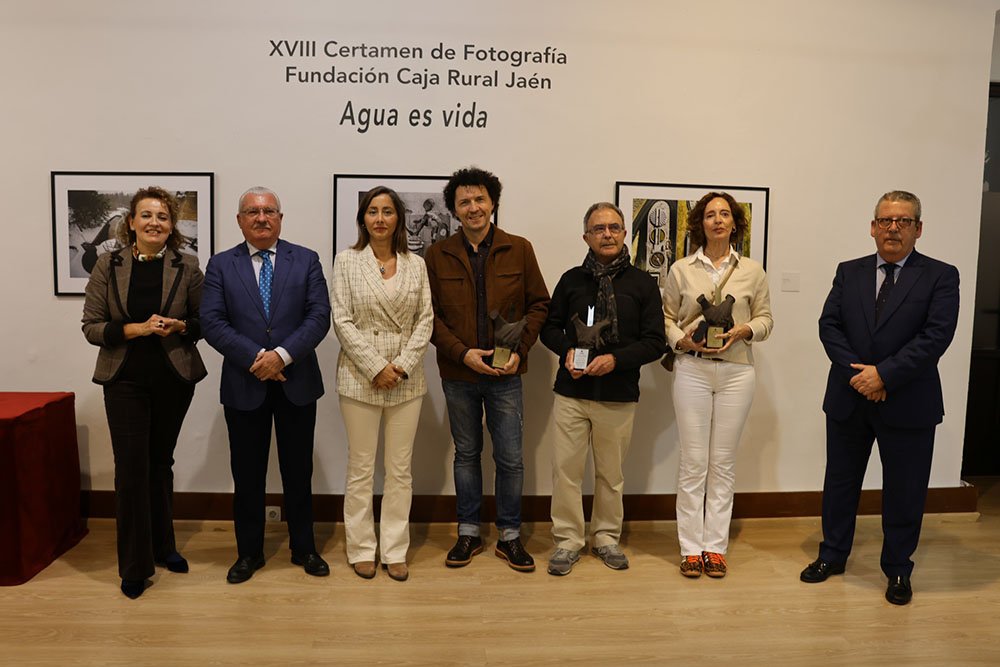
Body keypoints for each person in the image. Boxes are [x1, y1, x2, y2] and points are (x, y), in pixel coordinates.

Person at [800, 190, 959, 606]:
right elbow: (829, 325)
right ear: (872, 227)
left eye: (904, 221)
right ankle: (832, 556)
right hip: (850, 397)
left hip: (908, 402)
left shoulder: (942, 276)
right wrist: (862, 376)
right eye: (886, 220)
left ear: (918, 229)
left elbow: (936, 336)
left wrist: (885, 375)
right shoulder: (848, 272)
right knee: (840, 483)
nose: (893, 228)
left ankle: (898, 570)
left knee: (904, 490)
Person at [201, 186, 332, 584]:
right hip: (245, 383)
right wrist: (258, 358)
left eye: (269, 211)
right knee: (247, 473)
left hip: (296, 381)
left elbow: (319, 315)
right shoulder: (221, 265)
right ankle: (249, 553)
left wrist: (282, 356)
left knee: (299, 471)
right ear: (239, 220)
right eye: (252, 212)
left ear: (280, 218)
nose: (262, 218)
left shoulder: (305, 259)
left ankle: (304, 548)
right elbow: (212, 322)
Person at [81, 186, 207, 599]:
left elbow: (203, 321)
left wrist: (180, 326)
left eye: (163, 217)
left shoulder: (187, 266)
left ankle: (163, 546)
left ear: (172, 226)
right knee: (131, 470)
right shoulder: (106, 265)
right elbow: (92, 327)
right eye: (147, 215)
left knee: (159, 464)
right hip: (125, 380)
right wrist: (135, 330)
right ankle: (135, 567)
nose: (155, 222)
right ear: (130, 222)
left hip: (173, 378)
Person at [424, 166, 550, 572]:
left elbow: (539, 305)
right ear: (454, 211)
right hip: (459, 374)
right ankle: (468, 533)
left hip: (506, 374)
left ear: (493, 202)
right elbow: (430, 317)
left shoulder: (520, 248)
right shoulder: (436, 254)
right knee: (466, 455)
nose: (473, 207)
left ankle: (510, 536)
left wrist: (521, 351)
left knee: (511, 458)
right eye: (464, 202)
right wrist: (463, 354)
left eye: (480, 199)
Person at [540, 202, 666, 576]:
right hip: (571, 393)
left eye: (613, 227)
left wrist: (615, 360)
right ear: (586, 237)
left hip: (618, 393)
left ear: (625, 233)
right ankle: (567, 541)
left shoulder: (643, 284)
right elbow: (550, 327)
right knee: (565, 471)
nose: (607, 234)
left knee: (611, 474)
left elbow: (655, 341)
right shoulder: (570, 280)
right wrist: (566, 353)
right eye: (598, 229)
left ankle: (606, 538)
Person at [662, 191, 773, 579]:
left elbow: (766, 319)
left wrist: (745, 328)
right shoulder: (680, 269)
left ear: (735, 223)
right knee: (694, 462)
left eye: (725, 214)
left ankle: (715, 547)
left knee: (722, 463)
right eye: (710, 215)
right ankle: (690, 548)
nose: (718, 220)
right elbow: (666, 317)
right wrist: (682, 340)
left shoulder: (753, 271)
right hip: (692, 368)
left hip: (737, 372)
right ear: (700, 224)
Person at [331, 187, 433, 582]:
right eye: (372, 211)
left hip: (406, 381)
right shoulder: (347, 261)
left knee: (399, 470)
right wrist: (376, 366)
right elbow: (342, 320)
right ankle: (360, 547)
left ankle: (394, 549)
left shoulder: (416, 264)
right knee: (360, 468)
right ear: (362, 219)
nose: (379, 218)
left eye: (387, 211)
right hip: (360, 376)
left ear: (398, 219)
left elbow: (425, 320)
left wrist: (402, 366)